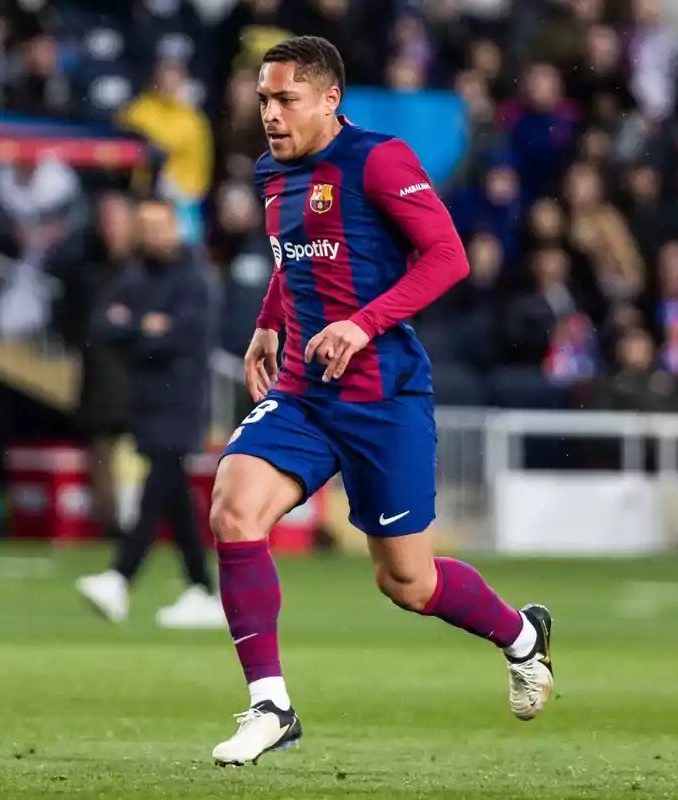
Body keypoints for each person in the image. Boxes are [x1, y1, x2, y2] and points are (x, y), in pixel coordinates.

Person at [208, 36, 555, 766]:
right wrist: (268, 324)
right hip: (304, 389)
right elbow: (293, 256)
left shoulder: (378, 159)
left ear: (329, 98)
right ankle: (270, 702)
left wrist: (363, 325)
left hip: (382, 396)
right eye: (264, 99)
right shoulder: (273, 171)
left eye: (285, 100)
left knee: (407, 580)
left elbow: (448, 257)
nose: (269, 114)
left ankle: (522, 636)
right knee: (233, 508)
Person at [75, 197, 225, 629]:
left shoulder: (195, 277)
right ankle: (202, 588)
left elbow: (185, 336)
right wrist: (147, 326)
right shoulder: (134, 275)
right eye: (144, 226)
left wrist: (136, 328)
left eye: (159, 225)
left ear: (175, 228)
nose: (152, 234)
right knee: (172, 494)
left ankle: (121, 576)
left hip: (180, 397)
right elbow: (103, 325)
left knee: (158, 483)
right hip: (145, 397)